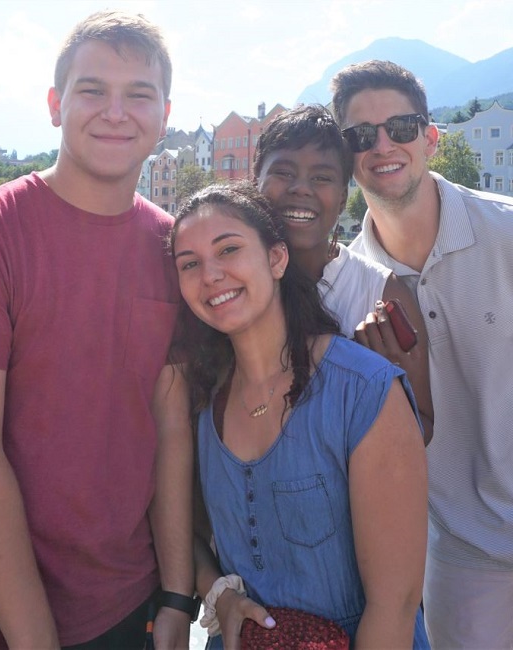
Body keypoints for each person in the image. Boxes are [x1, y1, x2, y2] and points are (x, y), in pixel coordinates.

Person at [0, 10, 193, 650]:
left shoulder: (175, 249)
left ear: (165, 114)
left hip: (131, 605)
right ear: (54, 104)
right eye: (93, 90)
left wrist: (177, 594)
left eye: (139, 95)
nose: (115, 112)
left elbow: (169, 429)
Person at [169, 181, 430, 648]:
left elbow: (395, 603)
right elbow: (181, 531)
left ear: (276, 259)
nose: (210, 274)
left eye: (228, 249)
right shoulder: (203, 400)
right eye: (189, 263)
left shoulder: (365, 391)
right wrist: (219, 594)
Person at [331, 59, 513, 648]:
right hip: (463, 556)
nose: (382, 145)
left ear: (431, 138)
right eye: (361, 135)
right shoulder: (349, 291)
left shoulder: (505, 233)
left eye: (401, 127)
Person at [253, 104, 433, 443]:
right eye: (284, 173)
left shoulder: (380, 293)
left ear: (342, 198)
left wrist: (377, 387)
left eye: (321, 177)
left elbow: (423, 427)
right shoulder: (229, 280)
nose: (301, 188)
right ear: (254, 182)